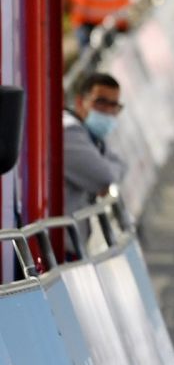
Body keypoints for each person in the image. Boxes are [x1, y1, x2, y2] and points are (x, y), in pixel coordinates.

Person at [64, 73, 125, 250]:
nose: (107, 111)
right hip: (57, 246)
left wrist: (108, 172)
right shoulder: (69, 133)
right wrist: (107, 176)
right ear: (80, 102)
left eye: (113, 106)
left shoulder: (90, 136)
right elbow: (105, 177)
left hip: (70, 241)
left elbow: (121, 165)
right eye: (100, 102)